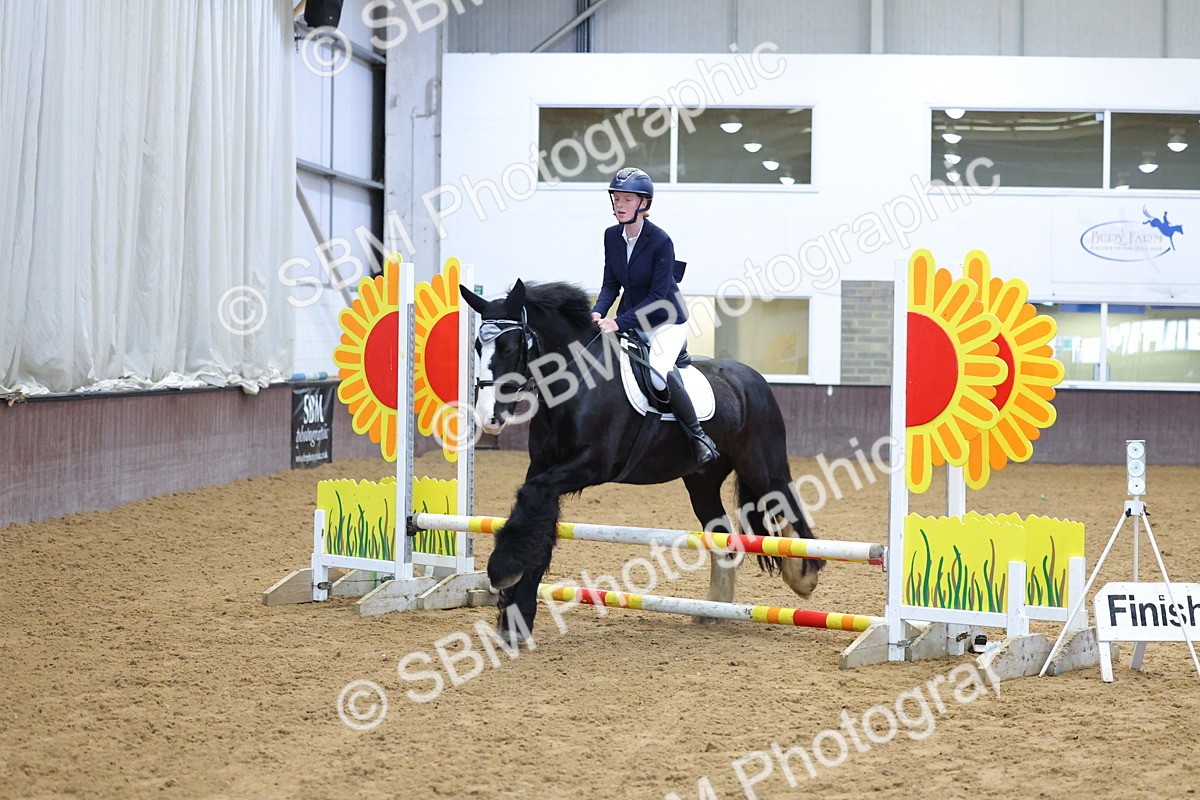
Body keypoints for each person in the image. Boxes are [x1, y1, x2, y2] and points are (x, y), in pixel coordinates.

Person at [591, 167, 719, 466]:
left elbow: (657, 297)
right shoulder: (611, 236)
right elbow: (611, 283)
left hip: (665, 321)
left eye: (627, 199)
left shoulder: (660, 241)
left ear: (644, 204)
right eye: (617, 198)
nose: (619, 204)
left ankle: (699, 437)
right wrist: (597, 311)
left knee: (658, 374)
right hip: (631, 320)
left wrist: (617, 323)